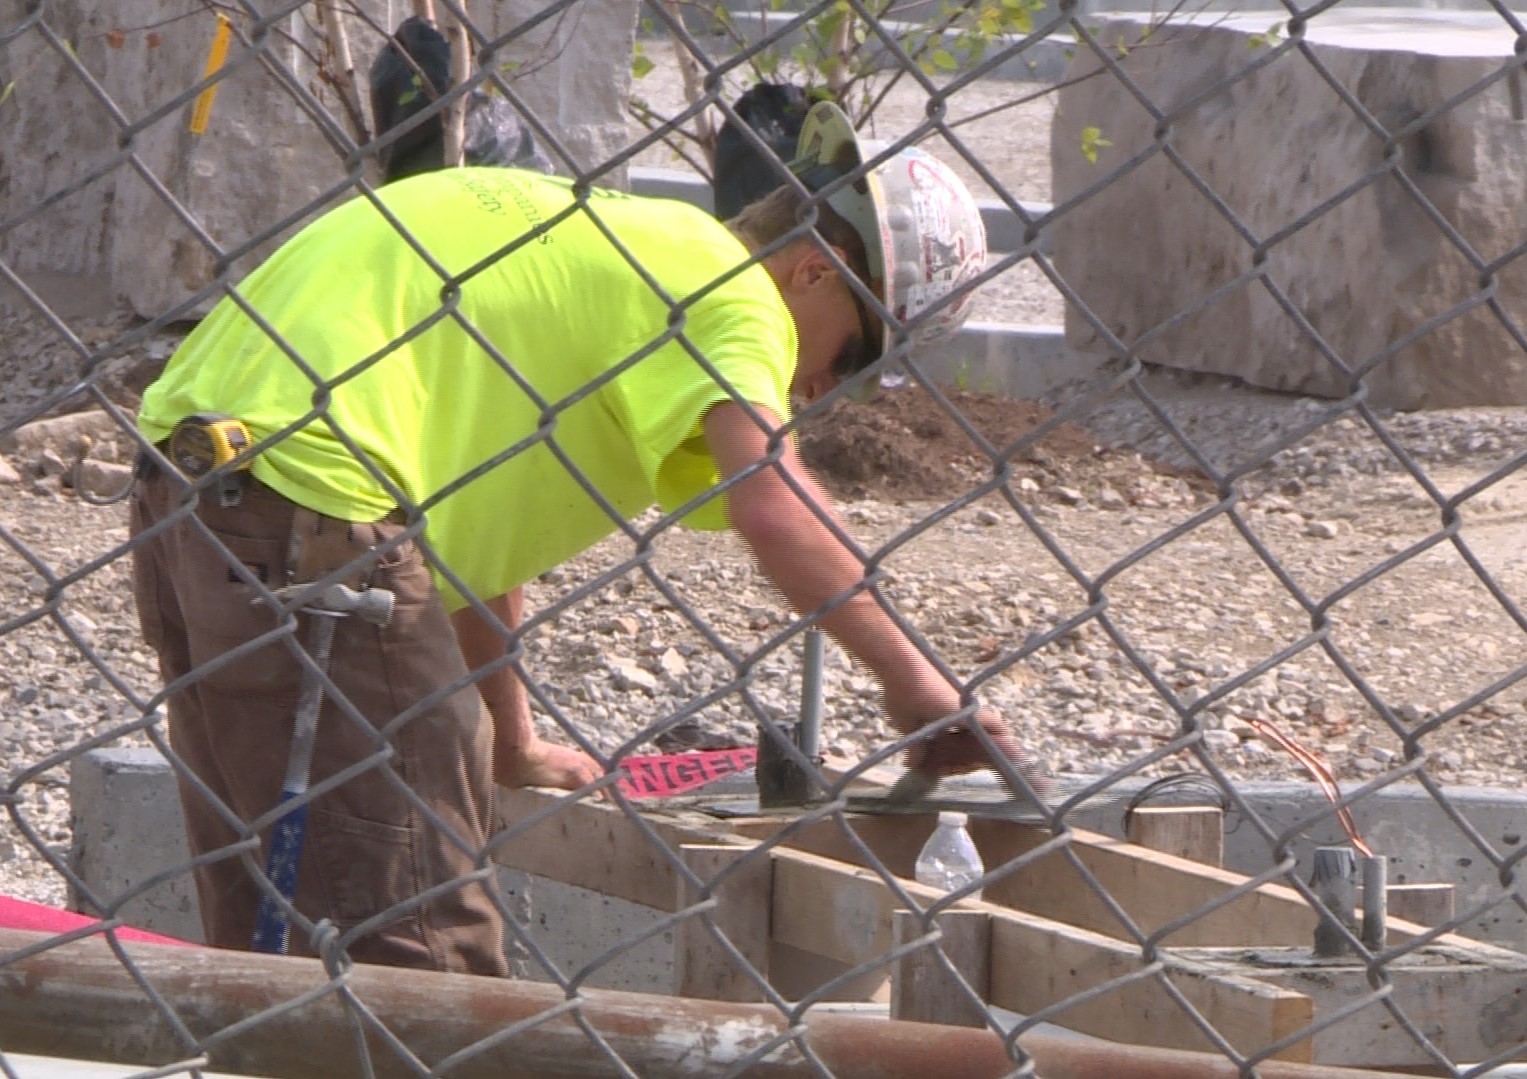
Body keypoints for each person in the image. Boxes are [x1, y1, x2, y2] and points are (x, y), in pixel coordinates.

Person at [130, 103, 1034, 976]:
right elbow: (775, 505)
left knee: (271, 914)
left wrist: (509, 738)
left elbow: (478, 539)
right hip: (314, 510)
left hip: (193, 487)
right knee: (422, 951)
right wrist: (915, 679)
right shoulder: (729, 292)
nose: (823, 391)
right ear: (818, 269)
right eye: (853, 357)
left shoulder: (619, 244)